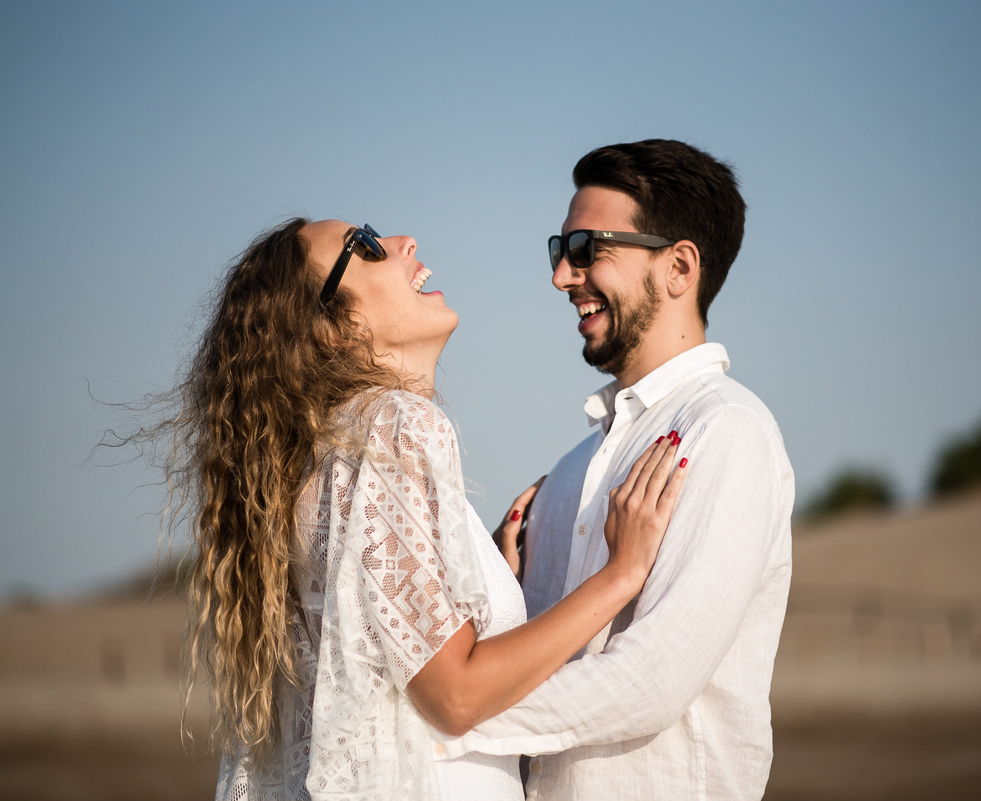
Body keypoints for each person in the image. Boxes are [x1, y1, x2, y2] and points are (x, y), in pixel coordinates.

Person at [163, 217, 688, 800]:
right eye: (364, 247)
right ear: (331, 331)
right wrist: (623, 573)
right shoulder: (394, 426)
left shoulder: (313, 466)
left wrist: (477, 576)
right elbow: (454, 696)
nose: (403, 242)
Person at [440, 139, 795, 800]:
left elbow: (651, 679)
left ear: (679, 267)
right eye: (560, 251)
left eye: (587, 250)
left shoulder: (727, 431)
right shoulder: (567, 474)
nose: (562, 277)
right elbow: (533, 658)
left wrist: (446, 713)